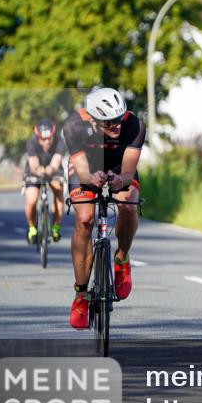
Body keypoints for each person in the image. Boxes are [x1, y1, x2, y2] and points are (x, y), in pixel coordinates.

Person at [63, 88, 145, 329]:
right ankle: (81, 295)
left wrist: (122, 180)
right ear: (93, 118)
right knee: (85, 219)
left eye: (119, 120)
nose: (117, 127)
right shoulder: (74, 126)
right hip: (87, 167)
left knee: (129, 205)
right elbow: (81, 170)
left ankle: (121, 258)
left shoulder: (134, 126)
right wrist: (90, 177)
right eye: (110, 123)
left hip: (119, 165)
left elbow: (128, 172)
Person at [23, 120, 66, 244]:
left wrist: (50, 169)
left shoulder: (60, 141)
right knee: (32, 199)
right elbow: (33, 162)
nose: (47, 142)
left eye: (49, 138)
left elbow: (56, 161)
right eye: (43, 139)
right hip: (34, 170)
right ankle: (32, 228)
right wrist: (38, 169)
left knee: (58, 192)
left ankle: (56, 227)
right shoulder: (31, 142)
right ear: (38, 137)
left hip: (53, 169)